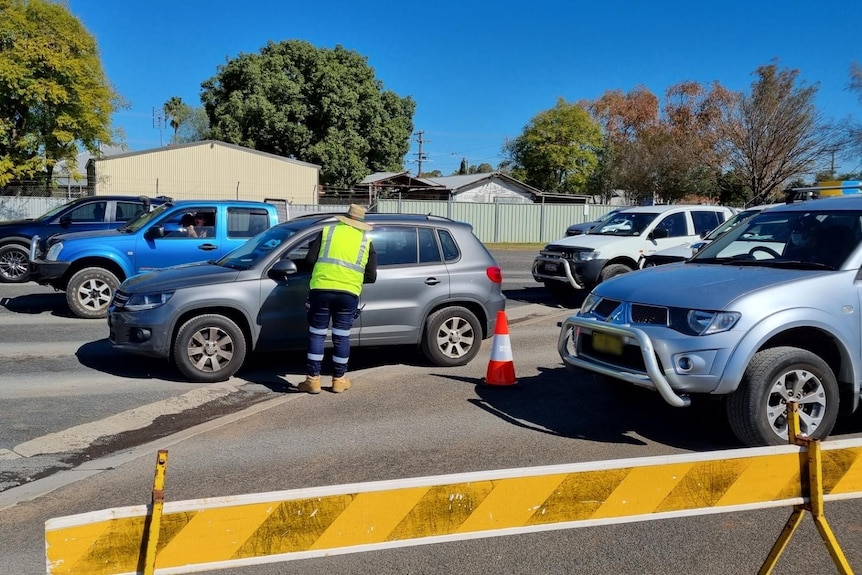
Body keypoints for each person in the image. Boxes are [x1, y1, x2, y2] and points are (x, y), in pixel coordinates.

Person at [298, 204, 377, 394]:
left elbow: (309, 261)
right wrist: (352, 278)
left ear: (345, 217)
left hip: (322, 289)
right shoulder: (366, 240)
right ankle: (339, 380)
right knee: (341, 336)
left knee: (317, 334)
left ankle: (312, 381)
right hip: (348, 293)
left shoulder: (327, 231)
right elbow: (372, 275)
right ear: (361, 222)